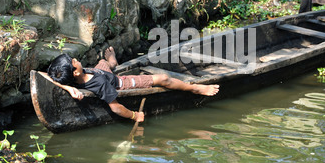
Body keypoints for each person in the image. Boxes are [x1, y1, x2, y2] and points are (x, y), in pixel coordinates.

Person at [41, 47, 220, 123]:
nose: (76, 59)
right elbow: (116, 108)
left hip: (100, 72)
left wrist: (67, 87)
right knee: (163, 78)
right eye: (74, 61)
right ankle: (196, 88)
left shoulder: (76, 77)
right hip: (121, 83)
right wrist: (135, 115)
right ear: (75, 72)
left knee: (104, 63)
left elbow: (40, 74)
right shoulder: (100, 85)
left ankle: (112, 62)